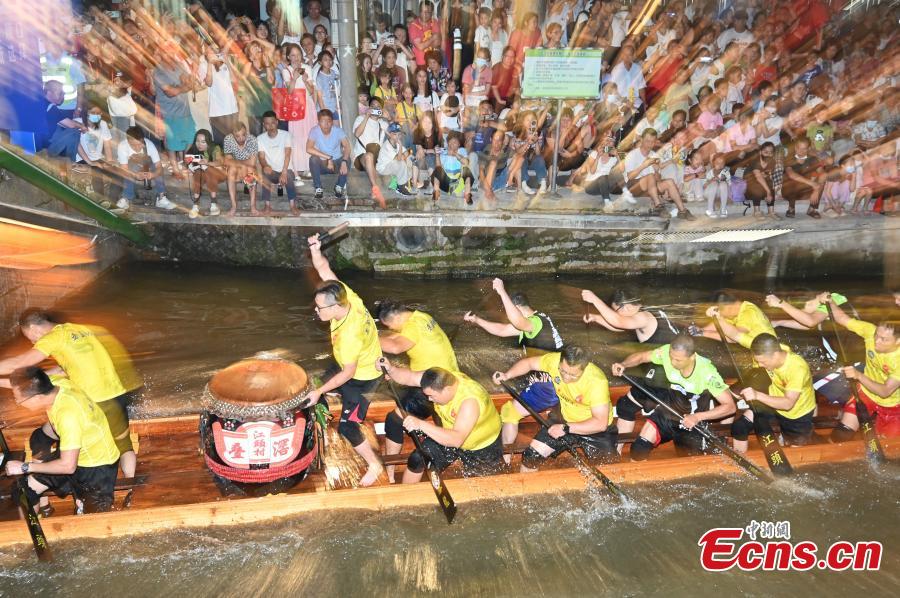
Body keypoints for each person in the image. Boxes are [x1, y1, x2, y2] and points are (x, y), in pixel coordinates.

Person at [0, 310, 137, 482]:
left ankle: (43, 479)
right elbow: (63, 369)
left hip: (94, 402)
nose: (34, 342)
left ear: (34, 328)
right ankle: (132, 489)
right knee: (124, 446)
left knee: (44, 438)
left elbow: (20, 363)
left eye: (31, 338)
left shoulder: (54, 338)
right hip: (117, 393)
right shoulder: (79, 329)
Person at [305, 234, 384, 486]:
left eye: (320, 309)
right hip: (350, 363)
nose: (316, 312)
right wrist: (316, 250)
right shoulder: (346, 295)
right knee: (319, 381)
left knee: (347, 428)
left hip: (363, 380)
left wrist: (319, 392)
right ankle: (332, 391)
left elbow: (348, 372)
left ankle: (374, 465)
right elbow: (324, 269)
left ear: (335, 308)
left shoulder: (350, 333)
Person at [465, 278, 564, 461]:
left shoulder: (534, 323)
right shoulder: (535, 321)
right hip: (554, 380)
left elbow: (517, 322)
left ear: (518, 308)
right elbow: (503, 330)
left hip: (551, 385)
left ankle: (505, 459)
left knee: (509, 412)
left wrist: (502, 292)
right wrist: (477, 320)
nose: (508, 315)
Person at [3, 367, 120, 514]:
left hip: (96, 469)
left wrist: (25, 467)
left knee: (92, 520)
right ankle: (40, 515)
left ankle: (81, 506)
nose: (17, 402)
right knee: (23, 491)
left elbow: (68, 466)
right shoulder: (56, 383)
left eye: (19, 400)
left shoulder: (68, 416)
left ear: (37, 398)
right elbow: (22, 383)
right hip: (74, 451)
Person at [611, 335, 736, 459]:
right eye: (671, 357)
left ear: (692, 357)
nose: (672, 362)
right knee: (639, 448)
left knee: (691, 465)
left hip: (691, 422)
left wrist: (697, 417)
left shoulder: (707, 373)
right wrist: (624, 364)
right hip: (667, 414)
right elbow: (642, 356)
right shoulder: (666, 352)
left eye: (678, 360)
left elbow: (730, 407)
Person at [494, 345, 618, 471]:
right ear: (560, 362)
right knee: (530, 457)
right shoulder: (553, 361)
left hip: (594, 429)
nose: (566, 378)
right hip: (564, 419)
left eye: (573, 375)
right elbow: (529, 363)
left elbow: (600, 423)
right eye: (562, 371)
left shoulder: (596, 382)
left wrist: (566, 428)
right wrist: (507, 375)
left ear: (584, 368)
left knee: (609, 469)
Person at [379, 362, 503, 482]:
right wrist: (391, 369)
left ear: (447, 390)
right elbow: (410, 377)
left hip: (481, 447)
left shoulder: (470, 402)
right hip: (449, 434)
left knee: (481, 489)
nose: (429, 399)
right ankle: (404, 497)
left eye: (432, 396)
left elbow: (456, 440)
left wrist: (421, 424)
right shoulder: (437, 379)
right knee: (417, 459)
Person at [377, 301, 459, 482]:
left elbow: (396, 346)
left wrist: (368, 338)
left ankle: (390, 475)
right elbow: (396, 338)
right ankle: (432, 431)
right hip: (445, 378)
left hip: (434, 387)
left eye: (389, 325)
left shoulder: (412, 327)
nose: (391, 329)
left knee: (394, 419)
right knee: (400, 391)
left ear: (396, 318)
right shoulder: (422, 317)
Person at [823, 296, 900, 439]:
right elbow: (843, 319)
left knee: (890, 448)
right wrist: (830, 301)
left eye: (884, 339)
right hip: (865, 394)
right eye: (877, 335)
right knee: (841, 435)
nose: (876, 341)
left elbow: (885, 391)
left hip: (893, 405)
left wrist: (858, 376)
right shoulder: (870, 331)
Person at [731, 334, 817, 453]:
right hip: (773, 398)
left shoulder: (797, 368)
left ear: (776, 355)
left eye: (763, 362)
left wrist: (757, 395)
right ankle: (740, 461)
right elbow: (738, 336)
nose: (760, 365)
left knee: (795, 456)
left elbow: (788, 404)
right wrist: (718, 317)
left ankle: (793, 437)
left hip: (797, 414)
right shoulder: (770, 348)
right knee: (739, 426)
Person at [624, 129, 694, 219]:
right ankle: (658, 206)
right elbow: (629, 177)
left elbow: (658, 178)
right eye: (647, 141)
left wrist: (657, 172)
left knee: (669, 182)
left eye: (653, 142)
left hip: (650, 186)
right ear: (641, 140)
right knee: (650, 176)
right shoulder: (632, 155)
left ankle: (682, 211)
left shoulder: (654, 154)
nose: (650, 144)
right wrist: (644, 165)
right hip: (635, 187)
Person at [152, 44, 196, 178]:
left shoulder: (179, 66)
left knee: (189, 137)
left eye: (172, 51)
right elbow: (170, 92)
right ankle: (175, 170)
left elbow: (189, 81)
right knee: (172, 144)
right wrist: (185, 87)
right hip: (169, 113)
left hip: (185, 111)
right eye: (167, 52)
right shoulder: (158, 72)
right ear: (161, 54)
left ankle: (183, 165)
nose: (170, 54)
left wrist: (192, 73)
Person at [582, 289, 681, 344]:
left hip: (669, 356)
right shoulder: (643, 309)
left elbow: (618, 321)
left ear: (625, 307)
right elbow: (620, 327)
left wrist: (594, 299)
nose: (615, 314)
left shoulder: (643, 317)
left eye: (615, 311)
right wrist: (596, 318)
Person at [113, 126, 175, 212]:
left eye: (140, 144)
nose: (137, 148)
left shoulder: (149, 145)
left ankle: (161, 197)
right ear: (128, 141)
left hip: (146, 163)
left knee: (157, 169)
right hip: (131, 166)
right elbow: (124, 169)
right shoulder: (122, 146)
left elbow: (159, 166)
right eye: (133, 145)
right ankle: (126, 197)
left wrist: (153, 174)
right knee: (129, 169)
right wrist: (135, 175)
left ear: (143, 140)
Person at [256, 111, 298, 215]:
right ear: (264, 125)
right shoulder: (260, 138)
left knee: (288, 175)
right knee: (264, 174)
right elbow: (261, 157)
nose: (270, 126)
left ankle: (293, 205)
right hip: (272, 171)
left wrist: (283, 172)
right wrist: (265, 166)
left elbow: (287, 155)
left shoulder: (286, 135)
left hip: (285, 169)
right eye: (267, 123)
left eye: (272, 123)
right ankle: (267, 205)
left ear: (277, 122)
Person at [306, 109, 351, 202]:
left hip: (336, 164)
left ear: (332, 122)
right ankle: (318, 188)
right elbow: (308, 148)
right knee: (313, 159)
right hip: (323, 164)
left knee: (348, 159)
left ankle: (339, 186)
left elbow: (347, 147)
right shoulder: (314, 131)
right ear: (318, 122)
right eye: (322, 121)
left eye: (329, 121)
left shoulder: (338, 131)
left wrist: (344, 161)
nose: (326, 124)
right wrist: (328, 157)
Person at [352, 96, 389, 208]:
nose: (375, 109)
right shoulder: (360, 118)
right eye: (373, 106)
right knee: (369, 155)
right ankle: (375, 188)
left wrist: (389, 118)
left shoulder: (382, 123)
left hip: (376, 158)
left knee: (372, 154)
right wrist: (366, 117)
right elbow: (357, 134)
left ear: (381, 109)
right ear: (368, 107)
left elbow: (394, 136)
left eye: (378, 107)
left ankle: (377, 193)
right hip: (361, 158)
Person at [199, 46, 240, 148]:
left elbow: (234, 80)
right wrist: (209, 63)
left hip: (231, 109)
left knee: (234, 143)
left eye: (214, 48)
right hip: (216, 112)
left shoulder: (225, 61)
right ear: (205, 53)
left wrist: (227, 61)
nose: (213, 51)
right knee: (220, 145)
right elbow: (208, 83)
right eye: (210, 49)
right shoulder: (203, 65)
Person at [700, 292, 775, 345]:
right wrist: (701, 329)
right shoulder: (739, 309)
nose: (724, 317)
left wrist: (703, 333)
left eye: (723, 314)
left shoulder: (748, 313)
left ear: (729, 308)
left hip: (770, 356)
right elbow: (718, 325)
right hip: (761, 354)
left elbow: (734, 337)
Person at [184, 129, 225, 218]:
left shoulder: (215, 148)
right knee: (198, 171)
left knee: (209, 170)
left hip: (218, 174)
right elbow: (187, 161)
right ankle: (195, 205)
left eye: (203, 142)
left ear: (208, 142)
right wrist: (189, 167)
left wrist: (207, 163)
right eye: (197, 141)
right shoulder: (194, 148)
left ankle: (213, 203)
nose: (199, 144)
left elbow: (219, 162)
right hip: (202, 174)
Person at [222, 122, 260, 216]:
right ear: (232, 135)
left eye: (243, 135)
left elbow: (252, 163)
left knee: (250, 171)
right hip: (236, 168)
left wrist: (238, 163)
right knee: (231, 170)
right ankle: (234, 206)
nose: (241, 138)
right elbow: (228, 161)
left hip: (250, 168)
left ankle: (253, 206)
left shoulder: (252, 139)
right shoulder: (228, 139)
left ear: (246, 132)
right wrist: (241, 164)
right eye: (237, 136)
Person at [783, 138, 823, 219]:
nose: (801, 151)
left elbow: (822, 173)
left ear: (808, 149)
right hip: (789, 192)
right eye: (799, 148)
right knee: (792, 180)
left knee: (822, 180)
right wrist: (812, 183)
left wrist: (816, 189)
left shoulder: (812, 159)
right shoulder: (789, 158)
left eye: (804, 149)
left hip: (805, 191)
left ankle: (812, 209)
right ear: (795, 148)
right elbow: (791, 175)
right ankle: (791, 208)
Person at [376, 122, 419, 197]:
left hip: (392, 166)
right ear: (390, 134)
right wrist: (402, 146)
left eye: (399, 134)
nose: (398, 137)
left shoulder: (397, 143)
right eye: (395, 134)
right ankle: (401, 187)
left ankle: (412, 183)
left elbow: (407, 153)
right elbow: (399, 159)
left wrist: (410, 157)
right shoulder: (387, 146)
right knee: (401, 163)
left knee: (412, 160)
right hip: (383, 169)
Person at [409, 1, 442, 67]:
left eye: (428, 12)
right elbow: (420, 47)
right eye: (424, 12)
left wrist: (424, 43)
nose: (425, 14)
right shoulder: (413, 26)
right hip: (420, 64)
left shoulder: (434, 22)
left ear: (432, 13)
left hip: (434, 64)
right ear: (419, 11)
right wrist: (433, 37)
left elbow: (438, 43)